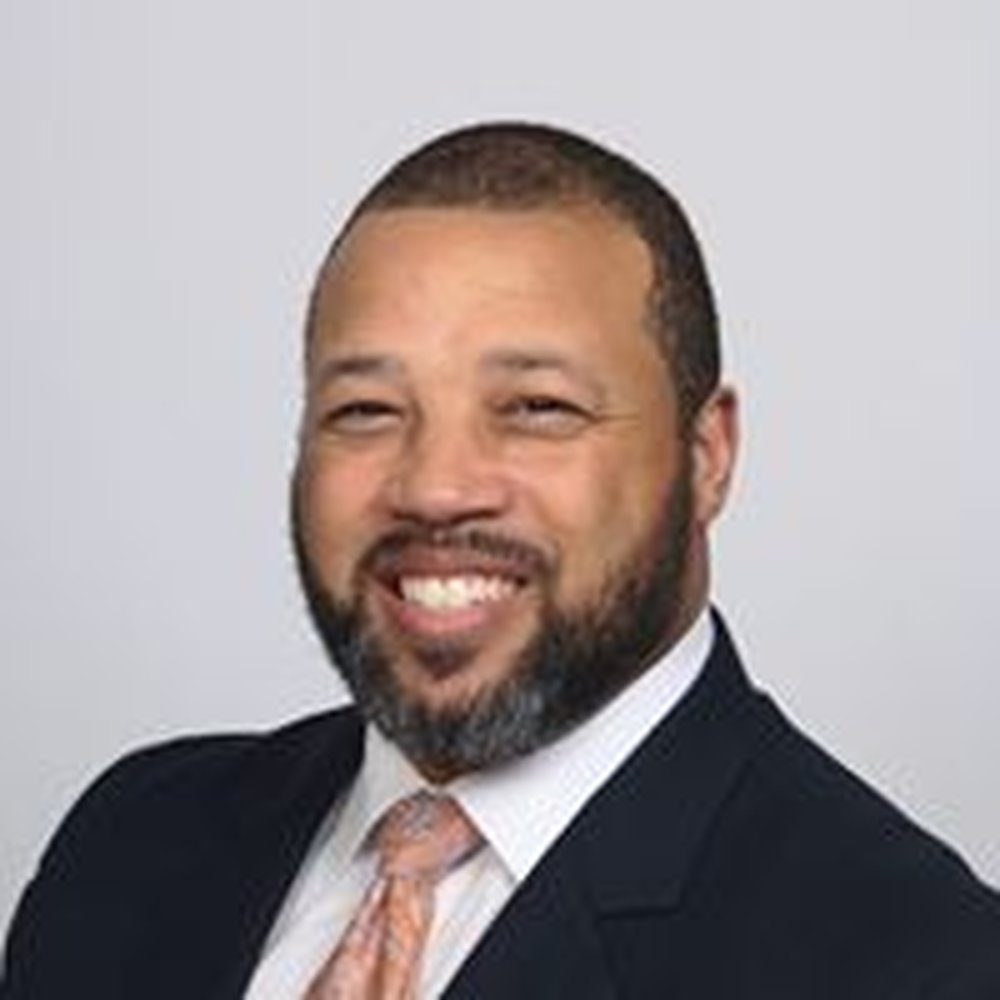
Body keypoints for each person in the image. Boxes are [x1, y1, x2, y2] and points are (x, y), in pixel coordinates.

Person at [2, 122, 998, 1000]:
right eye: (365, 410)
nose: (435, 488)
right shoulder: (133, 843)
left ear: (706, 456)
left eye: (535, 408)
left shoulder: (916, 963)